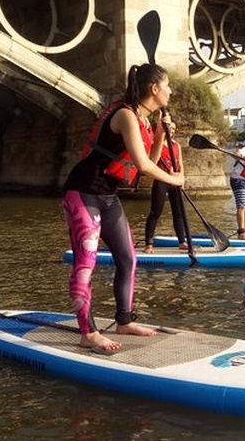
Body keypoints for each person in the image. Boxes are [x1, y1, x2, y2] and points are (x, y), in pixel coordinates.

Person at [61, 63, 184, 351]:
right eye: (167, 86)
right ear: (154, 89)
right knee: (86, 262)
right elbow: (143, 165)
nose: (171, 90)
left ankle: (124, 320)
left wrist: (161, 135)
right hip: (83, 192)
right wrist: (175, 179)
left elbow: (145, 164)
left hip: (108, 196)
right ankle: (87, 332)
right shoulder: (126, 115)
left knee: (128, 259)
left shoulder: (141, 120)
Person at [143, 122, 188, 253]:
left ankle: (182, 241)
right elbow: (152, 162)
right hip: (161, 180)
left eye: (173, 128)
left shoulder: (176, 145)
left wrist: (182, 179)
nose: (171, 130)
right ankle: (149, 244)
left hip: (175, 181)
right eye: (169, 128)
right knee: (155, 212)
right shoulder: (157, 145)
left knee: (178, 213)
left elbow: (180, 163)